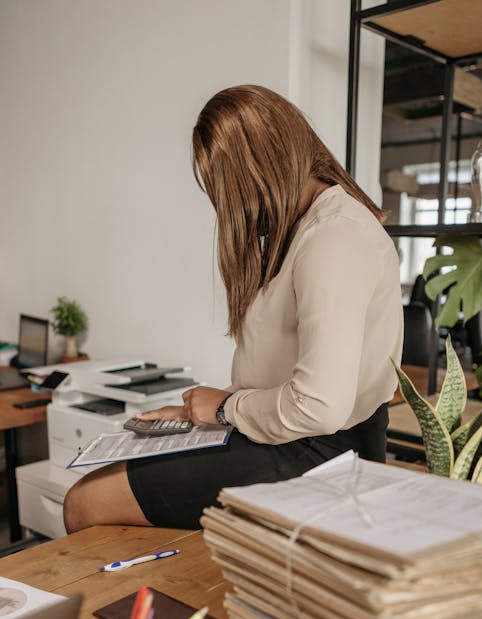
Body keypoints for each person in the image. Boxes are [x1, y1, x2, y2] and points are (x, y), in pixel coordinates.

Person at [63, 84, 404, 534]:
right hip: (283, 437)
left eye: (232, 188)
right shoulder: (304, 228)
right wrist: (196, 414)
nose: (231, 206)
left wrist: (224, 409)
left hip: (319, 452)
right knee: (101, 487)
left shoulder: (334, 237)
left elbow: (319, 406)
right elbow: (286, 377)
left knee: (85, 502)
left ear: (265, 167)